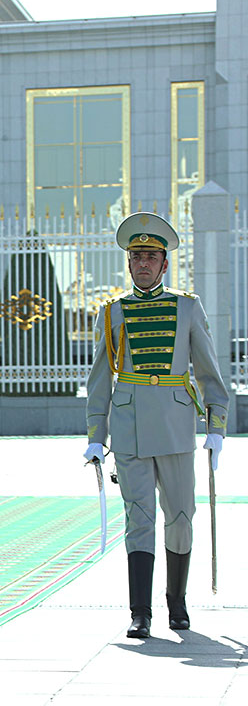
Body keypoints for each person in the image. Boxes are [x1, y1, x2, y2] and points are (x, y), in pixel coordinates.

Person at [84, 212, 228, 638]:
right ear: (128, 263)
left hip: (176, 424)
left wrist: (216, 426)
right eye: (136, 256)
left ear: (165, 264)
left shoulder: (187, 307)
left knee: (180, 516)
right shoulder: (113, 312)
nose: (143, 263)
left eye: (151, 257)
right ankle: (140, 612)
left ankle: (176, 602)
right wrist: (96, 436)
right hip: (129, 426)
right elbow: (99, 379)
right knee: (139, 518)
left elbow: (208, 372)